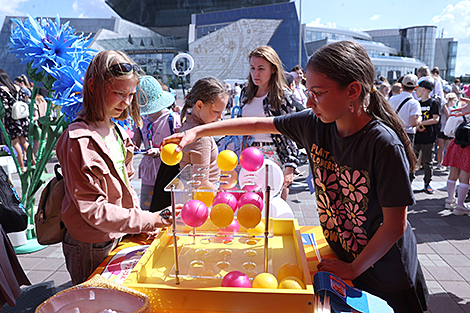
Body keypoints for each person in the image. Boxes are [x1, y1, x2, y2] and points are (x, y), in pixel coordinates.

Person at [163, 41, 428, 313]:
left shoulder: (383, 144)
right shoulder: (316, 124)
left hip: (386, 274)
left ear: (353, 91)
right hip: (345, 261)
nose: (309, 101)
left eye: (318, 93)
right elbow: (256, 124)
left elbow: (395, 226)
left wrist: (353, 267)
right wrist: (197, 132)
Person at [56, 50, 178, 285]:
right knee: (95, 303)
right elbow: (93, 210)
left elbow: (124, 187)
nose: (126, 102)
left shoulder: (117, 130)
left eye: (131, 95)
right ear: (93, 86)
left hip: (117, 234)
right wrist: (148, 219)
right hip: (92, 245)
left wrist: (137, 225)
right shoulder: (78, 140)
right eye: (119, 93)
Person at [240, 45, 299, 201]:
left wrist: (290, 166)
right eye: (252, 68)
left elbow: (291, 131)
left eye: (261, 68)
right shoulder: (245, 93)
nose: (255, 73)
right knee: (250, 201)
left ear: (273, 69)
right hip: (248, 153)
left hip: (273, 154)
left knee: (273, 202)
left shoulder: (282, 95)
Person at [132, 75, 180, 211]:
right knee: (148, 209)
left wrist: (160, 151)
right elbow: (135, 143)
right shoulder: (141, 120)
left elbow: (181, 146)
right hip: (149, 174)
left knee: (167, 208)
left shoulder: (173, 119)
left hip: (168, 172)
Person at [179, 77, 229, 189]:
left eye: (222, 112)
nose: (220, 117)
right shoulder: (201, 138)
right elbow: (202, 183)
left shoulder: (188, 124)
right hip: (201, 200)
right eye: (216, 111)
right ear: (199, 105)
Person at [0, 69, 34, 172]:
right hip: (22, 118)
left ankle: (21, 167)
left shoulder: (2, 90)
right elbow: (25, 99)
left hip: (12, 119)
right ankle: (33, 161)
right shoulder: (18, 88)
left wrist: (4, 123)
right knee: (24, 141)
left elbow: (4, 107)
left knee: (15, 142)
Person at [388, 74, 422, 164]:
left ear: (402, 85)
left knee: (393, 158)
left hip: (393, 131)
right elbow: (413, 123)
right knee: (406, 160)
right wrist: (420, 119)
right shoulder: (414, 103)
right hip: (407, 133)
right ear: (416, 87)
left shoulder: (392, 99)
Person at [414, 79, 440, 194]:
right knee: (412, 160)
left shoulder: (433, 102)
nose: (416, 91)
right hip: (417, 136)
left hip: (428, 137)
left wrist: (420, 123)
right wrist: (417, 126)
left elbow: (435, 119)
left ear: (424, 89)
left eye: (418, 88)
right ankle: (409, 182)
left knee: (428, 161)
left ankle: (427, 183)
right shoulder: (417, 103)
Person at [436, 92, 458, 170]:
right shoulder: (453, 110)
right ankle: (448, 164)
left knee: (440, 147)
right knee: (449, 149)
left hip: (441, 129)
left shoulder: (442, 109)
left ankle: (440, 163)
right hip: (450, 131)